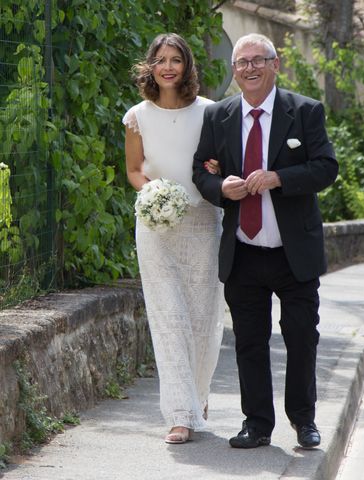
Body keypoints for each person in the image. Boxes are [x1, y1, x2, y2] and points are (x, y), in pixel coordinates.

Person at [192, 33, 338, 449]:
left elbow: (326, 168)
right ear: (234, 71)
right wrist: (222, 187)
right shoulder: (218, 115)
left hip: (295, 254)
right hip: (243, 251)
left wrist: (279, 178)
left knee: (301, 338)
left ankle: (304, 421)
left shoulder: (305, 111)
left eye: (259, 60)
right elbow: (200, 170)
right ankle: (256, 424)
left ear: (276, 65)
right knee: (250, 343)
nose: (250, 68)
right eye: (242, 62)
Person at [122, 33, 224, 444]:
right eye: (161, 60)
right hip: (156, 226)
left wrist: (218, 166)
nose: (168, 67)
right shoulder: (136, 116)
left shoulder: (211, 112)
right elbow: (133, 170)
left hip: (202, 222)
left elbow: (221, 163)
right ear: (150, 66)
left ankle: (197, 397)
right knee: (168, 319)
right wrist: (151, 195)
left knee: (202, 317)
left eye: (175, 60)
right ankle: (179, 414)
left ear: (187, 66)